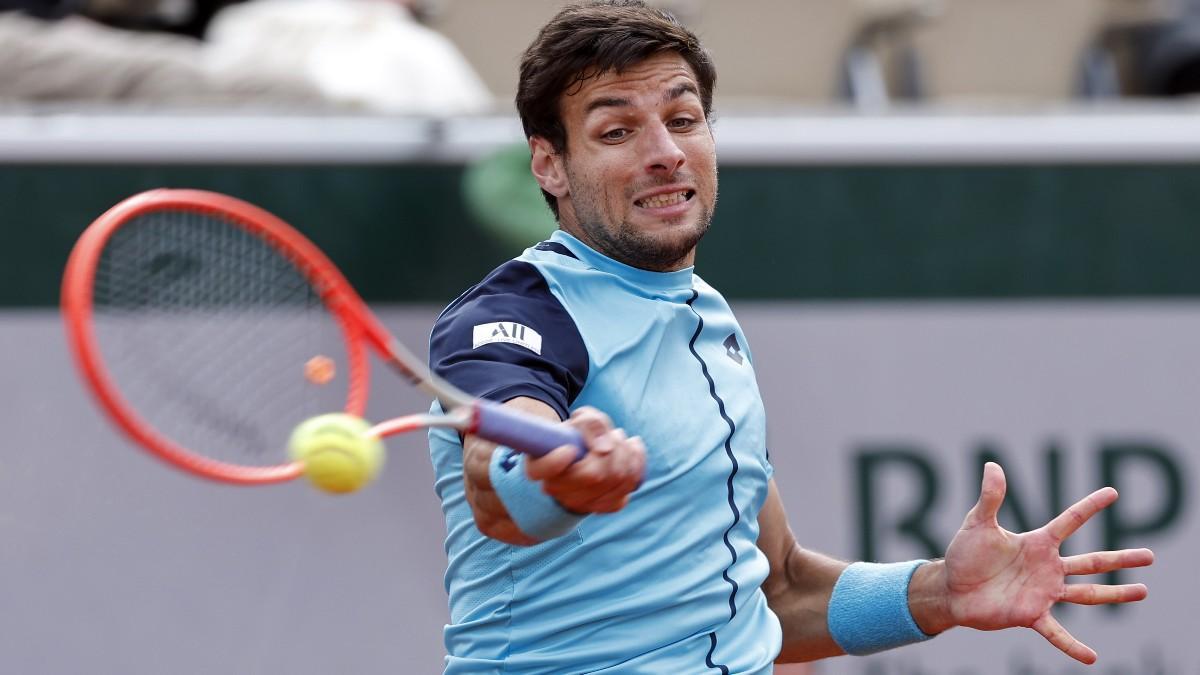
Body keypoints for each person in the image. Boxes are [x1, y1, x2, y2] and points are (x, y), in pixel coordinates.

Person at [426, 2, 1155, 672]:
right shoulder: (516, 314)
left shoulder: (707, 318)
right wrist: (559, 475)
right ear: (548, 164)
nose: (665, 152)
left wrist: (943, 592)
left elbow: (777, 590)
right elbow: (499, 480)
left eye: (683, 120)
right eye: (616, 130)